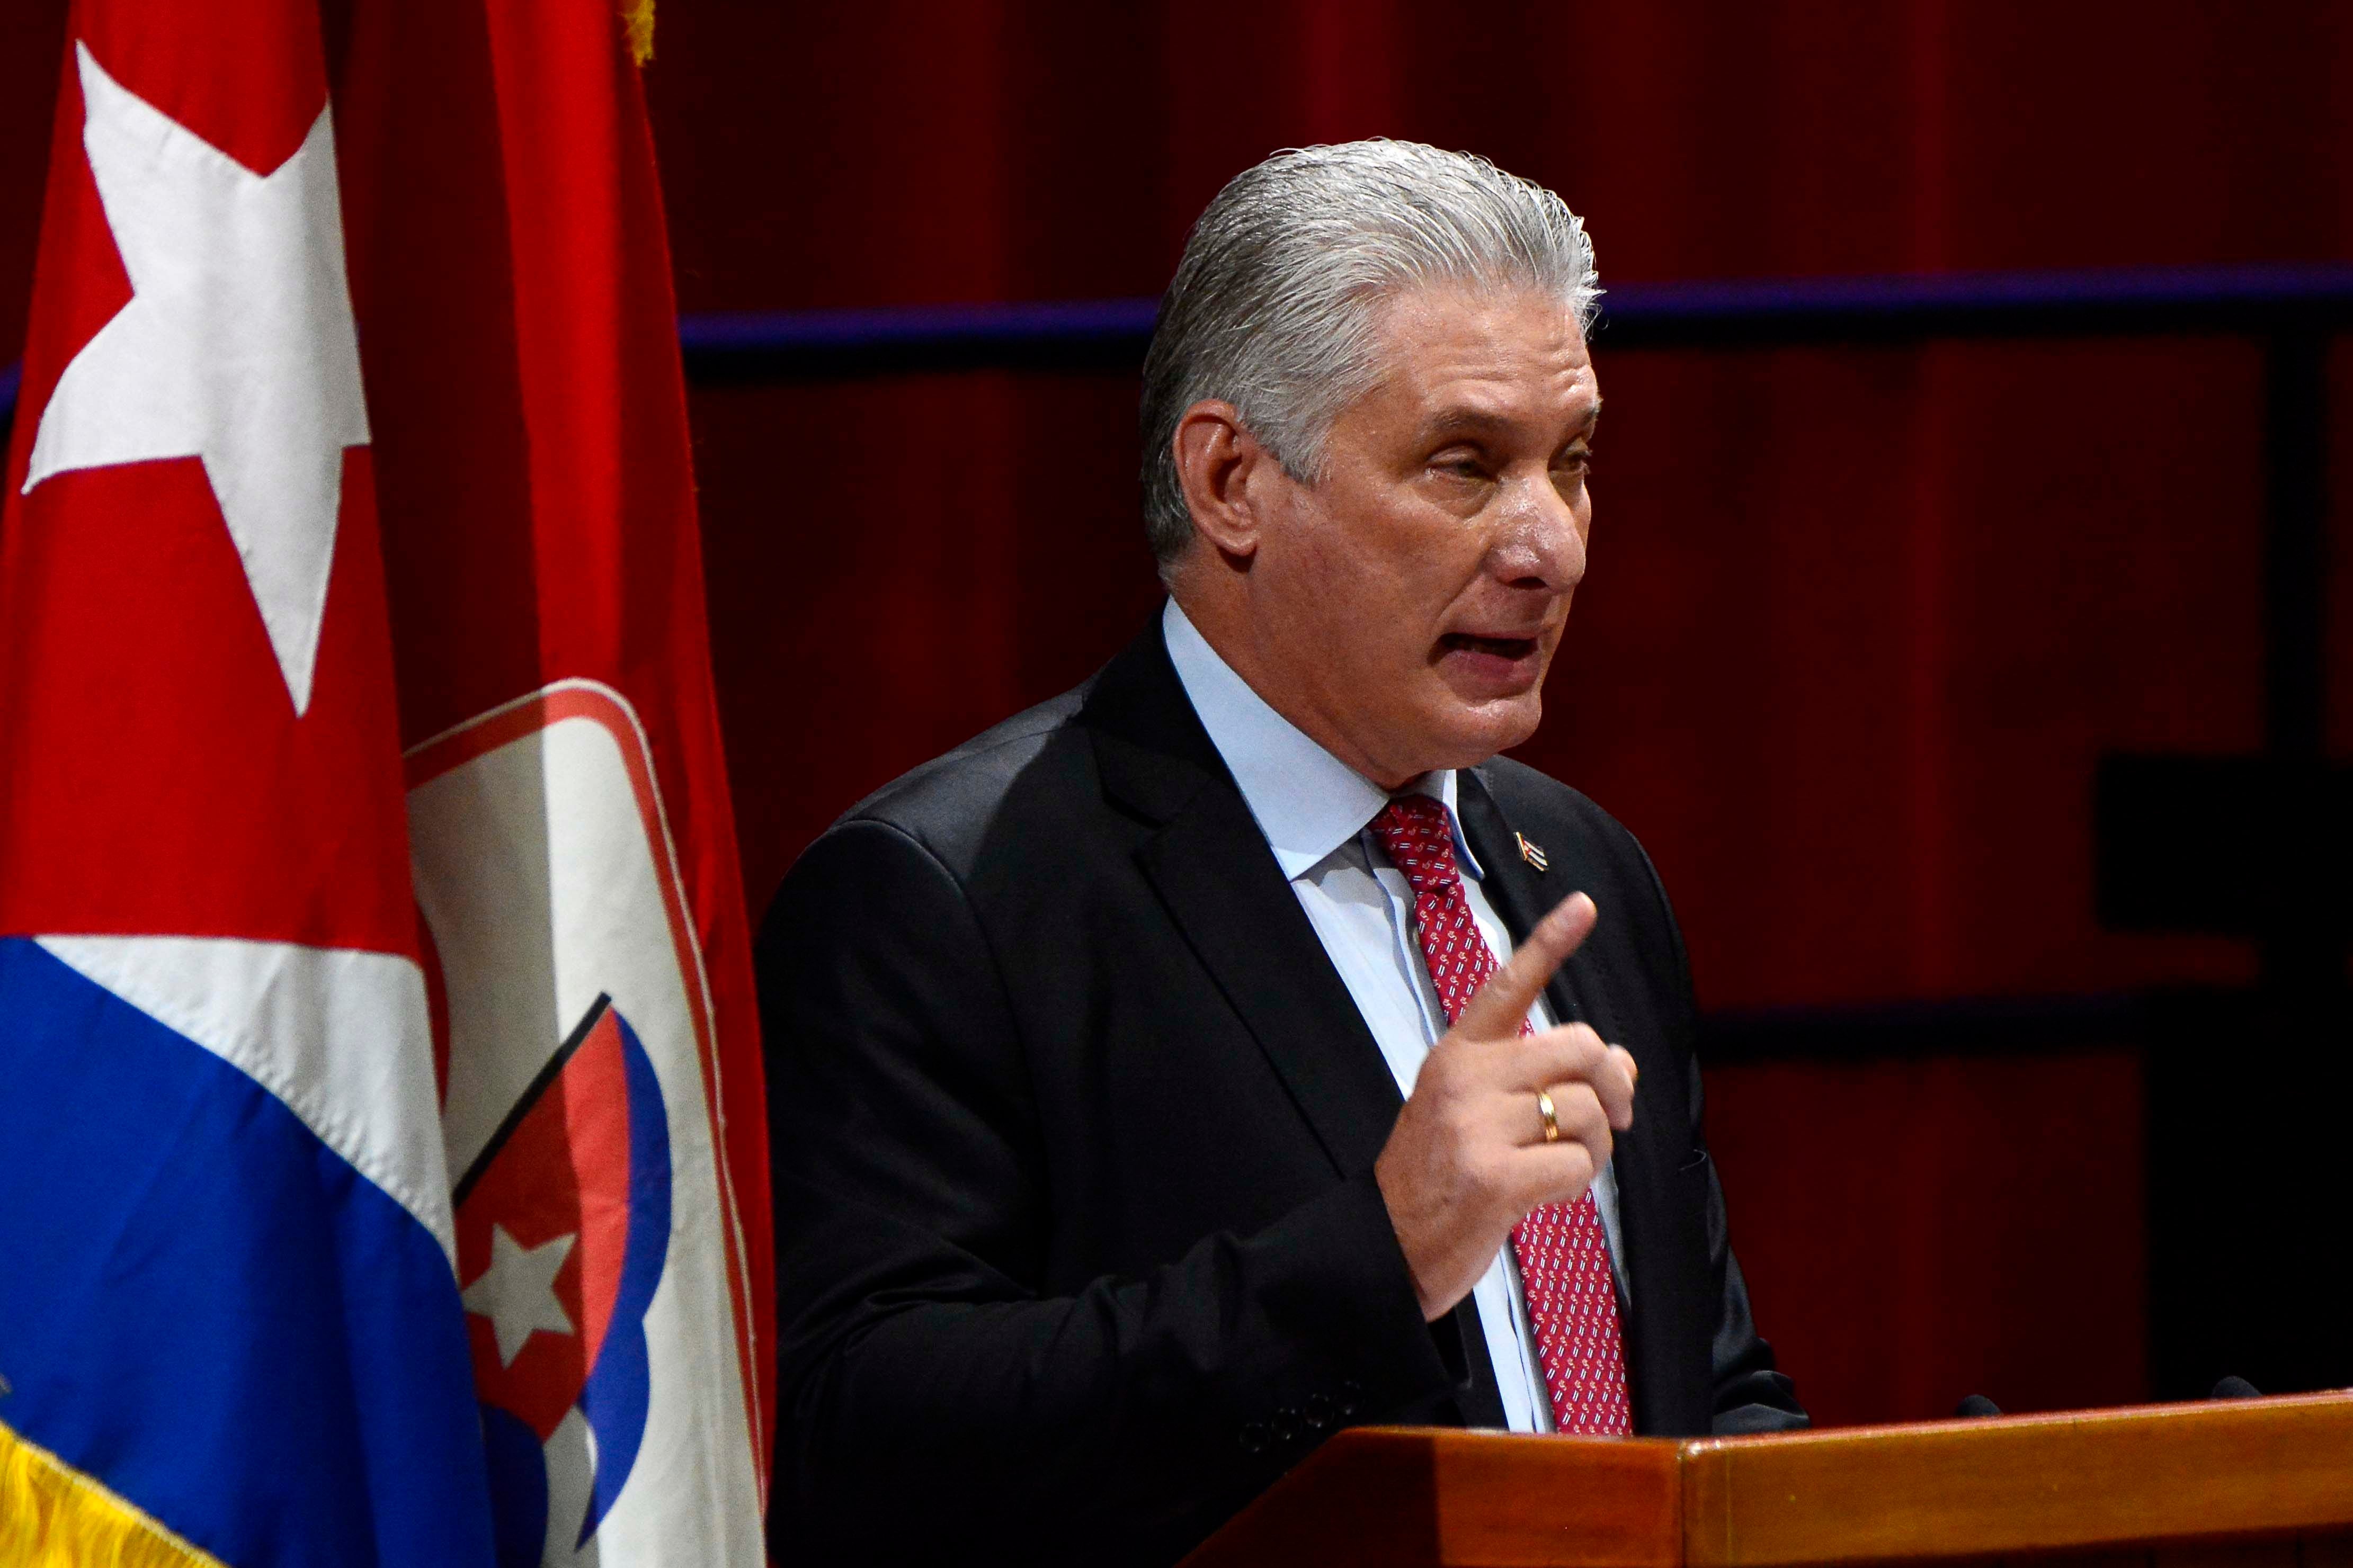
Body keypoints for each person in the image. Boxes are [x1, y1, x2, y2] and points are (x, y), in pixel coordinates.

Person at [756, 139, 1805, 1567]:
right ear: (1232, 479)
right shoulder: (946, 896)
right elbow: (854, 1441)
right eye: (1463, 464)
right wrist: (1378, 1255)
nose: (1548, 545)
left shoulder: (1580, 869)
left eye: (1568, 464)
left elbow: (1698, 1395)